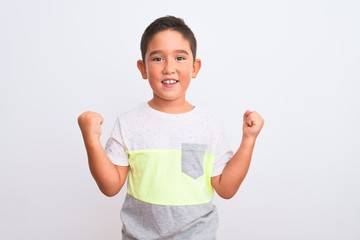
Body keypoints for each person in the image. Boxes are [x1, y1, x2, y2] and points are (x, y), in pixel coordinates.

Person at [78, 15, 264, 240]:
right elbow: (110, 186)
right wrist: (91, 140)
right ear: (143, 68)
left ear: (195, 67)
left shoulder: (208, 124)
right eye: (157, 59)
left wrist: (249, 139)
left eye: (179, 57)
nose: (169, 68)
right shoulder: (128, 122)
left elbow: (226, 188)